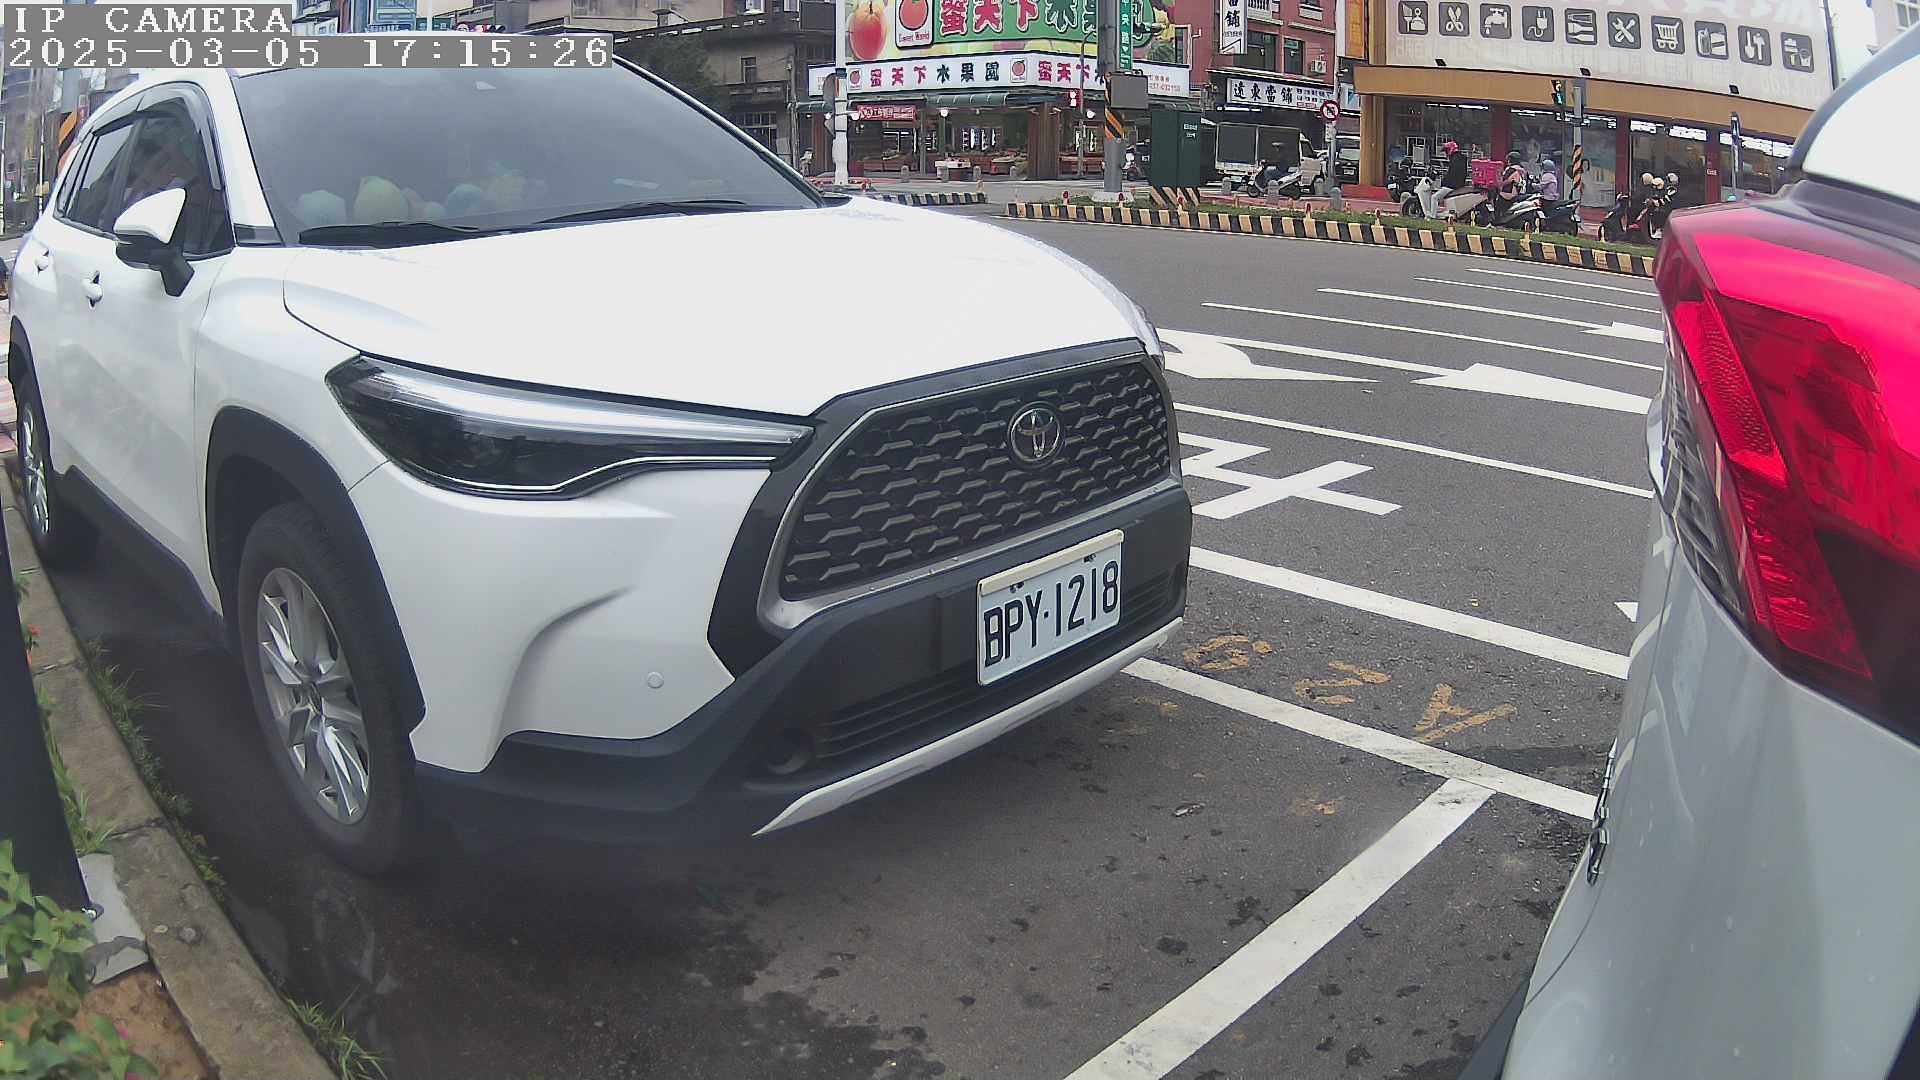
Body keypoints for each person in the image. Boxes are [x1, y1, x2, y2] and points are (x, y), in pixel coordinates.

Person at [1427, 140, 1469, 218]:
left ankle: (1432, 215)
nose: (1446, 153)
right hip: (1459, 184)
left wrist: (1443, 182)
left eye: (1446, 151)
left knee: (1434, 197)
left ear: (1450, 149)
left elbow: (1452, 174)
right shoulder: (1461, 158)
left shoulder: (1455, 159)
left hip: (1452, 185)